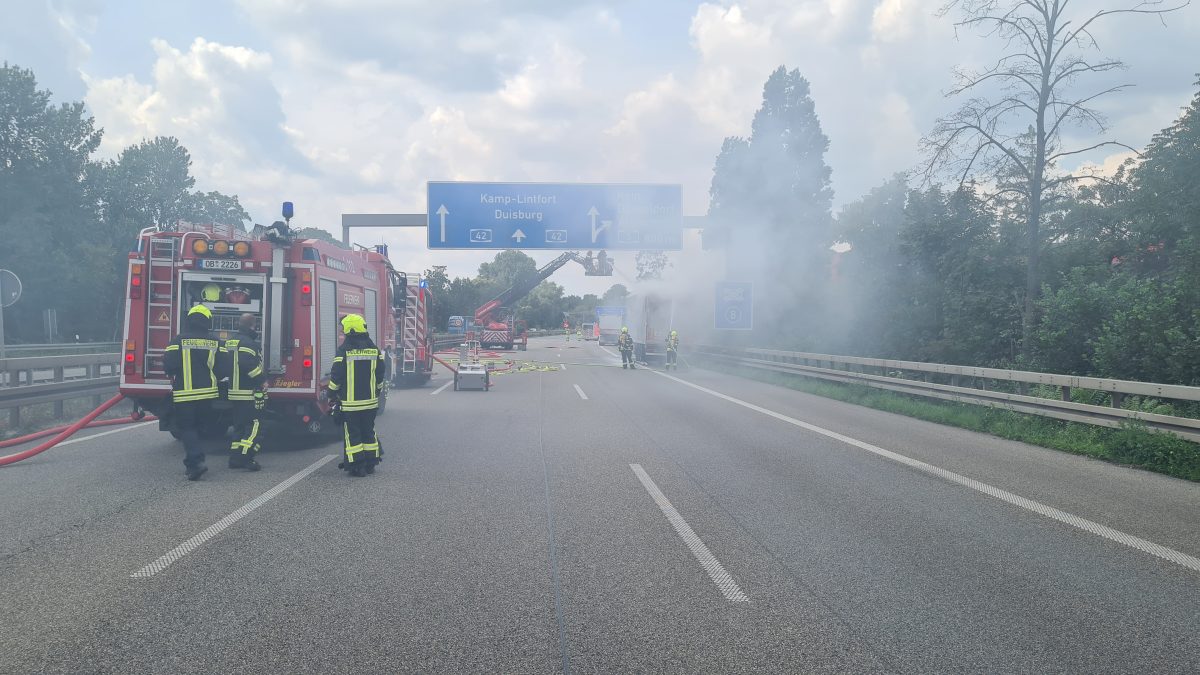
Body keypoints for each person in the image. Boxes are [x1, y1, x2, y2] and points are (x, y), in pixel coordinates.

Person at [163, 305, 221, 480]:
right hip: (208, 395)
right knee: (200, 428)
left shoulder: (177, 341)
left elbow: (169, 365)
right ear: (208, 321)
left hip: (185, 395)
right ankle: (194, 461)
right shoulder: (215, 342)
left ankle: (195, 462)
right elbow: (224, 366)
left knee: (188, 428)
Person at [326, 314, 387, 477]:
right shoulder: (374, 349)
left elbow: (336, 376)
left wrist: (331, 393)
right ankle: (371, 464)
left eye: (343, 329)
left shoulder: (344, 350)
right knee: (369, 431)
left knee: (353, 434)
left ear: (349, 329)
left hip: (351, 404)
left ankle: (357, 466)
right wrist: (378, 390)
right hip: (371, 403)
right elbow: (380, 373)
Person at [219, 313, 266, 471]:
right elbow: (246, 364)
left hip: (234, 391)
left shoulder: (231, 341)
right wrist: (261, 380)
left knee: (239, 426)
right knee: (254, 426)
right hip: (247, 392)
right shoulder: (248, 343)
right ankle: (246, 458)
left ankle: (234, 459)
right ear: (253, 326)